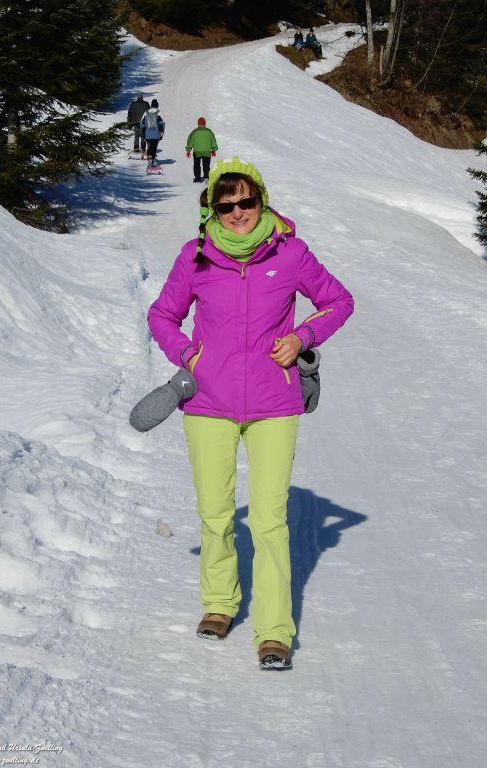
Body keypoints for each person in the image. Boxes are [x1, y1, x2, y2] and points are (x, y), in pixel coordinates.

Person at [147, 157, 354, 670]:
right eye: (226, 205)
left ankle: (274, 631)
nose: (237, 212)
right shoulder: (195, 255)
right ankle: (219, 605)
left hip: (274, 406)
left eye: (246, 201)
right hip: (208, 404)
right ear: (212, 210)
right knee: (216, 515)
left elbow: (339, 301)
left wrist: (302, 337)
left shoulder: (291, 253)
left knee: (267, 521)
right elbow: (163, 314)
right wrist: (186, 354)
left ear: (261, 200)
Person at [186, 117, 218, 183]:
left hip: (197, 152)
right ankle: (206, 177)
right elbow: (213, 141)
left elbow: (190, 141)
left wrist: (188, 150)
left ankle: (197, 178)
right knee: (206, 165)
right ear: (205, 123)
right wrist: (214, 150)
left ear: (198, 123)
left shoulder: (194, 132)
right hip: (207, 151)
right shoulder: (209, 131)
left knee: (196, 165)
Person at [140, 99, 165, 167]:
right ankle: (153, 159)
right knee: (154, 147)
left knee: (149, 146)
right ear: (157, 105)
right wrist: (161, 133)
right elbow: (161, 124)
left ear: (151, 105)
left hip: (147, 134)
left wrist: (143, 134)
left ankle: (150, 158)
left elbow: (142, 124)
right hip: (156, 134)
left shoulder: (146, 112)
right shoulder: (159, 112)